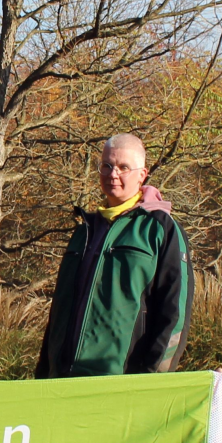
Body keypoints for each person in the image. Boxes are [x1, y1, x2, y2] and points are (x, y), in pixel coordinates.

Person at [36, 134, 191, 378]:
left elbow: (175, 313)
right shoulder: (83, 231)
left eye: (123, 167)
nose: (113, 174)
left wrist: (152, 379)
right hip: (62, 379)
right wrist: (45, 373)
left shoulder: (161, 229)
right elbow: (58, 310)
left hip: (120, 381)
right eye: (106, 165)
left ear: (142, 174)